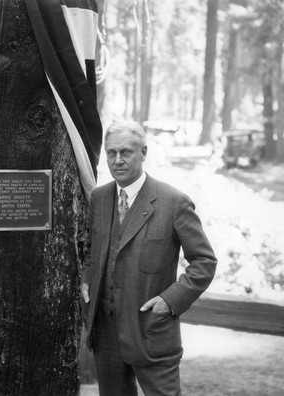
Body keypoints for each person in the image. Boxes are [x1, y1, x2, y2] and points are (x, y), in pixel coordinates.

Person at [80, 120, 217, 396]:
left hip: (151, 333)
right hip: (105, 334)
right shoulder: (100, 198)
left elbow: (204, 262)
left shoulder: (174, 202)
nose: (117, 160)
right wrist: (86, 279)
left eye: (126, 152)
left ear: (143, 153)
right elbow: (91, 252)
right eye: (111, 153)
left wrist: (170, 300)